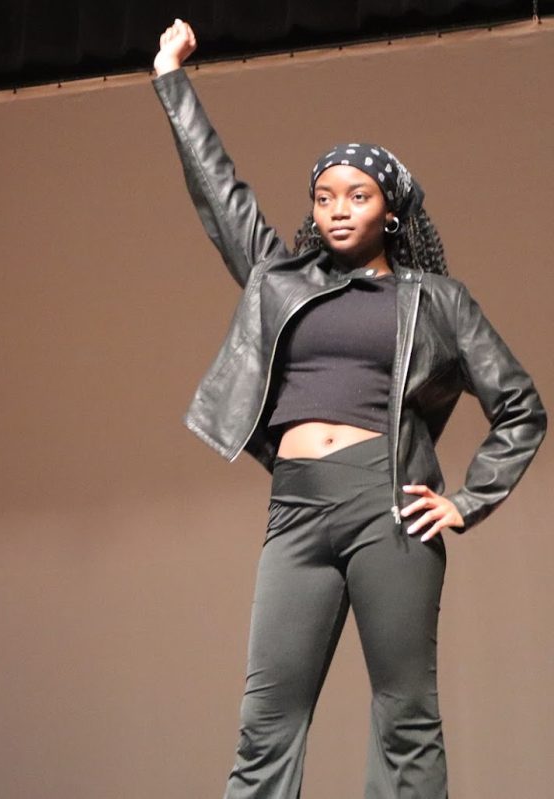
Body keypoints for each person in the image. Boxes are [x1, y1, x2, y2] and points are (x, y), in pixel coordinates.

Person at [151, 19, 545, 798]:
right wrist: (171, 81)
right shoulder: (279, 277)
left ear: (390, 211)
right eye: (323, 196)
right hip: (296, 509)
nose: (336, 209)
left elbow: (521, 407)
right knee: (266, 722)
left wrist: (466, 501)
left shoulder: (436, 300)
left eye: (356, 196)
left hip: (387, 505)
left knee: (405, 716)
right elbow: (219, 190)